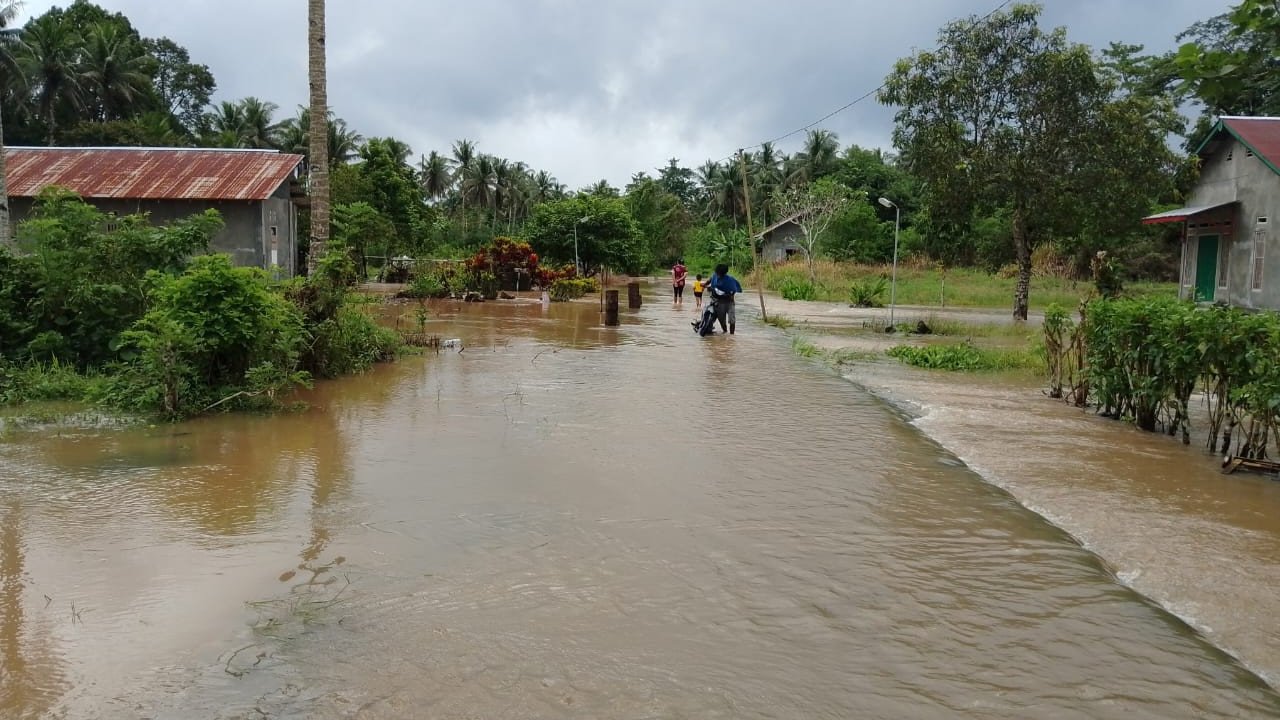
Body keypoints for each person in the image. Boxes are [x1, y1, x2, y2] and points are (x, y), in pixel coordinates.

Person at [707, 263, 743, 334]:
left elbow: (735, 288)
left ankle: (732, 335)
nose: (718, 275)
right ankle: (725, 333)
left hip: (729, 302)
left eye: (719, 274)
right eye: (717, 273)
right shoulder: (714, 277)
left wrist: (732, 295)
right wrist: (706, 285)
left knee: (732, 319)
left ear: (724, 273)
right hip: (719, 303)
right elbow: (710, 281)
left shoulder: (730, 280)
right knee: (722, 320)